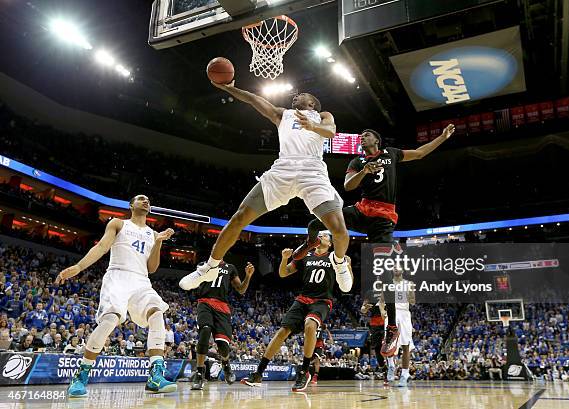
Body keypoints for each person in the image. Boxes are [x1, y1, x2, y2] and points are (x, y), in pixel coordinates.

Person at [293, 124, 455, 356]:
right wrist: (364, 171)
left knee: (383, 270)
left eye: (367, 134)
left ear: (377, 140)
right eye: (361, 135)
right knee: (315, 222)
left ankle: (391, 329)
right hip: (362, 210)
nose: (362, 136)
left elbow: (420, 153)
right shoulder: (357, 162)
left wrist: (441, 137)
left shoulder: (391, 153)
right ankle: (311, 242)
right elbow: (349, 186)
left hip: (383, 218)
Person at [179, 83, 352, 295]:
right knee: (240, 217)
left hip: (312, 171)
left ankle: (340, 262)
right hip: (283, 170)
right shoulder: (283, 114)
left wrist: (312, 126)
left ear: (312, 103)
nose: (296, 96)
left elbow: (331, 132)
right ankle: (210, 267)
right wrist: (229, 88)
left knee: (340, 231)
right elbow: (253, 98)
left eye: (302, 95)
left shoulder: (322, 115)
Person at [56, 195, 177, 397]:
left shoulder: (153, 233)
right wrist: (79, 267)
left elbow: (152, 268)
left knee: (157, 313)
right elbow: (102, 247)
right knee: (110, 320)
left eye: (148, 200)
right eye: (140, 199)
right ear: (131, 205)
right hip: (118, 276)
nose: (145, 201)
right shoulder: (118, 223)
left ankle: (155, 376)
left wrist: (158, 242)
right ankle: (80, 376)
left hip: (141, 280)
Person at [241, 232, 352, 392]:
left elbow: (348, 284)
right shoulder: (305, 255)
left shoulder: (335, 258)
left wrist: (347, 267)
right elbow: (283, 273)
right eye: (319, 234)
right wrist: (285, 258)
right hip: (303, 299)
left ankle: (304, 371)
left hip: (321, 301)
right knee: (282, 332)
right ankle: (259, 373)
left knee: (310, 325)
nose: (321, 236)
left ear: (330, 243)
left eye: (325, 236)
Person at [184, 261, 254, 390]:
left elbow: (241, 289)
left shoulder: (230, 267)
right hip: (204, 302)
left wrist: (248, 276)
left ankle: (226, 366)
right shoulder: (203, 264)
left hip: (222, 306)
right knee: (204, 331)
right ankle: (199, 373)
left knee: (223, 345)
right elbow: (193, 282)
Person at [361, 290, 387, 383]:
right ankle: (384, 372)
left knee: (388, 346)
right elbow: (362, 310)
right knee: (377, 348)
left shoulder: (388, 290)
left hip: (386, 320)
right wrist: (365, 308)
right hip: (375, 323)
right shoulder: (369, 293)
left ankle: (391, 367)